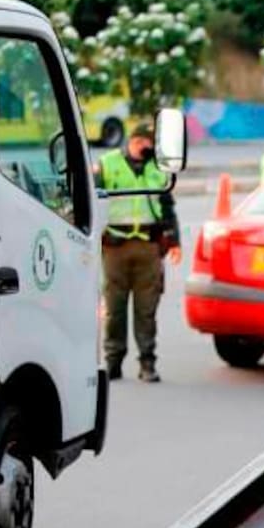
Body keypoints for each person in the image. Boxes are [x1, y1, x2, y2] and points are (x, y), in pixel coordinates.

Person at [95, 123, 181, 383]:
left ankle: (147, 363)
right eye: (140, 141)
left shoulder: (158, 168)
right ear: (131, 141)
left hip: (148, 246)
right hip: (115, 246)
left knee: (147, 309)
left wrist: (174, 241)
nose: (145, 146)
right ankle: (113, 361)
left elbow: (167, 205)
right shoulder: (108, 163)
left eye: (149, 142)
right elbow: (93, 200)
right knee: (115, 308)